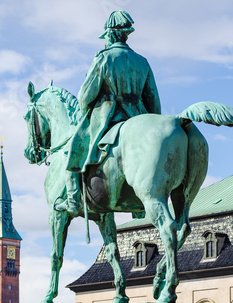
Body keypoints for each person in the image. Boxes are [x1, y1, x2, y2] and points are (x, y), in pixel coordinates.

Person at [55, 10, 161, 213]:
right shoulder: (142, 61)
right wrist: (151, 120)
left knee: (70, 150)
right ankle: (139, 206)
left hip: (108, 116)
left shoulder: (103, 58)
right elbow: (153, 98)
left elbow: (85, 96)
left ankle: (72, 200)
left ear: (110, 35)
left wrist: (86, 111)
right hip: (137, 116)